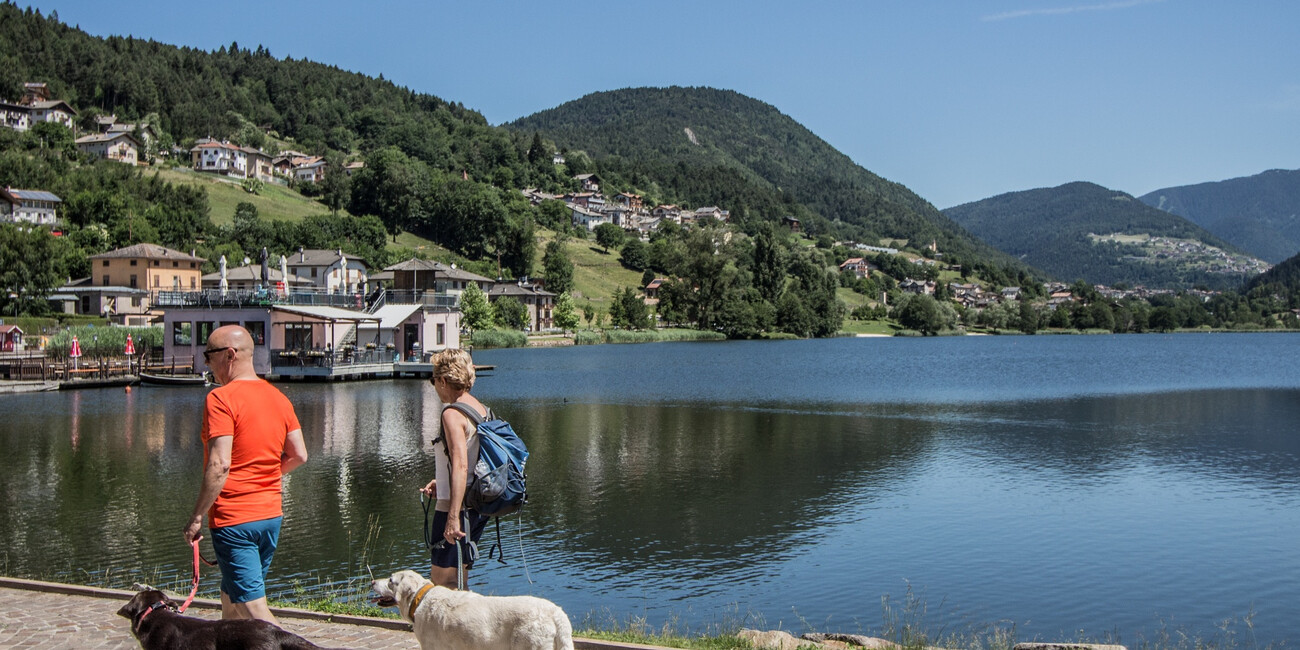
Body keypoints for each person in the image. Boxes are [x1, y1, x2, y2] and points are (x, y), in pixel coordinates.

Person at [183, 325, 309, 624]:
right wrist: (265, 477)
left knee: (255, 611)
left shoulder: (221, 398)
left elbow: (219, 464)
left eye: (208, 355)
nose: (205, 363)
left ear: (229, 355)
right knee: (232, 601)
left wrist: (197, 516)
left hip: (235, 519)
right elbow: (299, 455)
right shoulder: (278, 397)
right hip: (270, 516)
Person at [420, 348, 490, 589]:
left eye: (433, 380)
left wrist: (452, 517)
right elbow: (472, 460)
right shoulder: (480, 409)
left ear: (442, 380)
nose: (434, 386)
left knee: (443, 582)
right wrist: (442, 481)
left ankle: (447, 628)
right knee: (459, 578)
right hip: (478, 505)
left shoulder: (452, 413)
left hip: (456, 508)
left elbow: (461, 464)